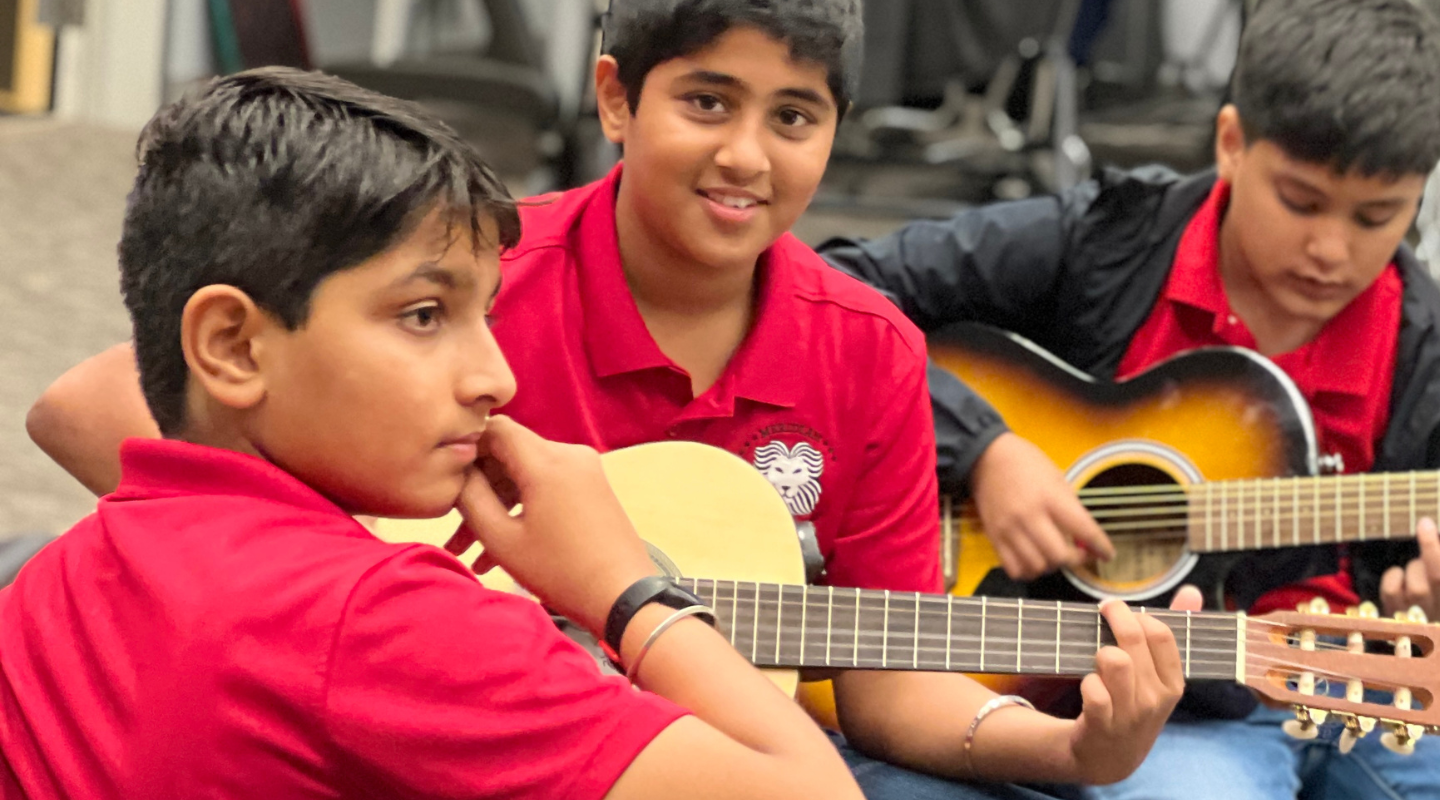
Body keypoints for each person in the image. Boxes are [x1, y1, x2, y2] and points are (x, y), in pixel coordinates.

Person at [23, 3, 1191, 798]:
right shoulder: (478, 253)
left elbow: (889, 674)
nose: (745, 154)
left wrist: (1072, 743)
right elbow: (94, 403)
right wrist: (570, 582)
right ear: (615, 99)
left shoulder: (867, 345)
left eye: (793, 116)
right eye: (707, 102)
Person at [0, 67, 864, 799]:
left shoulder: (62, 574)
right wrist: (628, 589)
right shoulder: (381, 622)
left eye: (483, 314)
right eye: (423, 314)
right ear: (232, 345)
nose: (497, 377)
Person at [817, 0, 1440, 797]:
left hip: (1360, 687)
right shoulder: (1110, 238)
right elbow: (835, 287)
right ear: (1232, 142)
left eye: (1379, 216)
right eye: (1301, 201)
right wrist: (986, 449)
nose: (1331, 248)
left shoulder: (1439, 357)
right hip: (1168, 711)